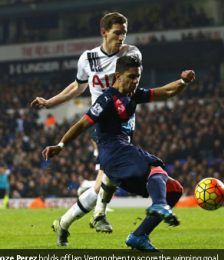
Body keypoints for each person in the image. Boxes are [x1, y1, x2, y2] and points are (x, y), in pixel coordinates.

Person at [42, 55, 195, 250]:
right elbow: (82, 124)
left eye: (137, 76)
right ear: (117, 76)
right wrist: (60, 146)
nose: (135, 81)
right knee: (155, 167)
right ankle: (159, 205)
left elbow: (167, 92)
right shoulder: (107, 99)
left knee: (174, 189)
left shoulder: (133, 94)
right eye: (131, 77)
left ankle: (139, 236)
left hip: (123, 153)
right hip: (113, 152)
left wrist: (183, 81)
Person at [31, 12, 142, 233]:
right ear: (104, 32)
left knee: (106, 179)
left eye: (124, 33)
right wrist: (49, 102)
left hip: (125, 123)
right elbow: (77, 87)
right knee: (110, 173)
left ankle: (64, 222)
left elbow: (134, 84)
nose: (121, 37)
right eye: (117, 33)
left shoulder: (132, 53)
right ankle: (99, 214)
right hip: (101, 122)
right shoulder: (88, 58)